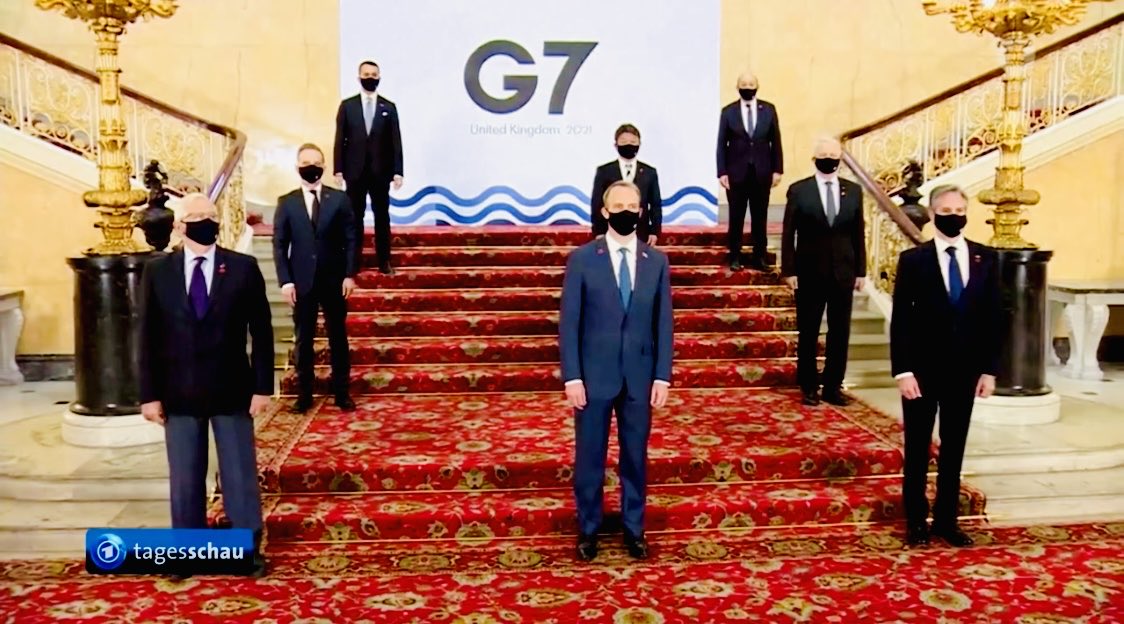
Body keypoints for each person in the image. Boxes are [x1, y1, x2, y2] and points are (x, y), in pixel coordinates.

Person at [139, 192, 273, 577]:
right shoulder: (158, 272)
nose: (206, 221)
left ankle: (246, 551)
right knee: (185, 478)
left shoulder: (243, 267)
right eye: (197, 215)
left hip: (232, 389)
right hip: (178, 391)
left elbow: (262, 331)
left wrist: (262, 387)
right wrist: (148, 395)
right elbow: (147, 335)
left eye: (210, 215)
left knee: (239, 476)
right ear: (179, 225)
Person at [559, 180, 673, 562]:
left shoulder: (656, 261)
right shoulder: (582, 260)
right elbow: (569, 322)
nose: (626, 211)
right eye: (618, 205)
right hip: (593, 378)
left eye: (632, 206)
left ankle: (634, 528)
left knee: (635, 457)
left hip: (639, 377)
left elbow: (663, 323)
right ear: (605, 212)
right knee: (590, 458)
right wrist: (572, 376)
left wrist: (662, 375)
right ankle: (588, 528)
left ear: (641, 211)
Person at [890, 184, 1001, 548]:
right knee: (918, 448)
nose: (954, 216)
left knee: (954, 449)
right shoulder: (914, 260)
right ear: (933, 214)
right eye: (947, 211)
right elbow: (902, 320)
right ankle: (916, 521)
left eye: (959, 210)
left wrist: (989, 370)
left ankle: (946, 521)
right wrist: (903, 371)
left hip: (965, 372)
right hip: (921, 372)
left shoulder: (986, 258)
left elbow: (993, 317)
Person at [780, 136, 866, 407]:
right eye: (824, 156)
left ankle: (833, 386)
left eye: (833, 156)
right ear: (814, 159)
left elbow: (858, 233)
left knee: (840, 332)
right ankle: (808, 386)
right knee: (809, 331)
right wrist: (789, 270)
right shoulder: (799, 190)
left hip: (844, 272)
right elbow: (788, 233)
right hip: (809, 272)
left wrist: (861, 271)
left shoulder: (853, 191)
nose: (829, 160)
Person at [274, 143, 358, 413]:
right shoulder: (287, 203)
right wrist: (286, 281)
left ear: (324, 166)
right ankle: (304, 395)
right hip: (301, 282)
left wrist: (349, 275)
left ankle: (342, 392)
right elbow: (279, 244)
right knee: (304, 339)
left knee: (338, 338)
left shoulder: (340, 200)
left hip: (334, 281)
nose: (311, 167)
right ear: (297, 167)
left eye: (316, 162)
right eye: (305, 163)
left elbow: (351, 239)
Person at [333, 60, 404, 275]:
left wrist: (398, 171)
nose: (370, 78)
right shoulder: (348, 106)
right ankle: (353, 262)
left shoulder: (388, 107)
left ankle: (384, 261)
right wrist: (338, 169)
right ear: (359, 77)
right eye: (366, 74)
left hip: (381, 172)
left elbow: (395, 142)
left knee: (382, 217)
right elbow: (340, 139)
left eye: (374, 75)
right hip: (355, 172)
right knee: (354, 218)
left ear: (379, 78)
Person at [716, 71, 783, 271]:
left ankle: (759, 257)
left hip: (762, 172)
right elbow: (721, 144)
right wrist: (722, 172)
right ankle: (735, 256)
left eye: (751, 84)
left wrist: (777, 169)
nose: (747, 88)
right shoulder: (728, 112)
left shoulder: (768, 110)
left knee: (760, 217)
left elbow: (776, 141)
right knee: (736, 217)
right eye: (743, 85)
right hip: (736, 173)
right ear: (737, 88)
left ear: (757, 86)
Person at [590, 124, 662, 246]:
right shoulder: (604, 171)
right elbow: (597, 203)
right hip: (610, 232)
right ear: (616, 145)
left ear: (639, 144)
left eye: (633, 142)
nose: (628, 145)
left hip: (641, 232)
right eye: (624, 142)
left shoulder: (650, 172)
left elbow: (655, 204)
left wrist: (654, 231)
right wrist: (599, 231)